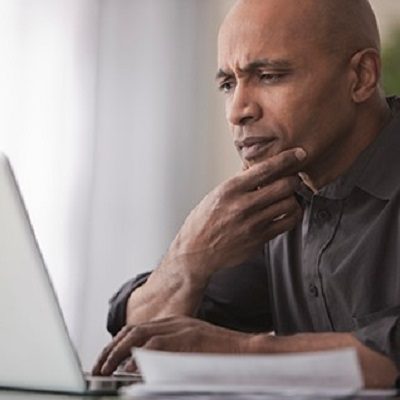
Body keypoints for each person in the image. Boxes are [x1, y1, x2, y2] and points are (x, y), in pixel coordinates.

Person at [93, 0, 400, 388]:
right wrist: (187, 258)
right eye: (227, 84)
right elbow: (141, 336)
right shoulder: (277, 202)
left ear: (360, 76)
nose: (238, 110)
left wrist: (243, 351)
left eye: (269, 75)